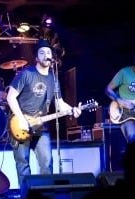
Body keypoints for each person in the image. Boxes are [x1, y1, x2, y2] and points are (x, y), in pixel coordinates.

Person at [6, 38, 82, 187]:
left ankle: (46, 197)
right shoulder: (26, 74)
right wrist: (21, 119)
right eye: (42, 53)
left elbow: (59, 103)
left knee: (47, 162)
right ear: (36, 57)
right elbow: (10, 96)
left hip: (41, 126)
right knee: (23, 164)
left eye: (48, 52)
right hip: (20, 125)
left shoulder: (53, 79)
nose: (46, 55)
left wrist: (72, 110)